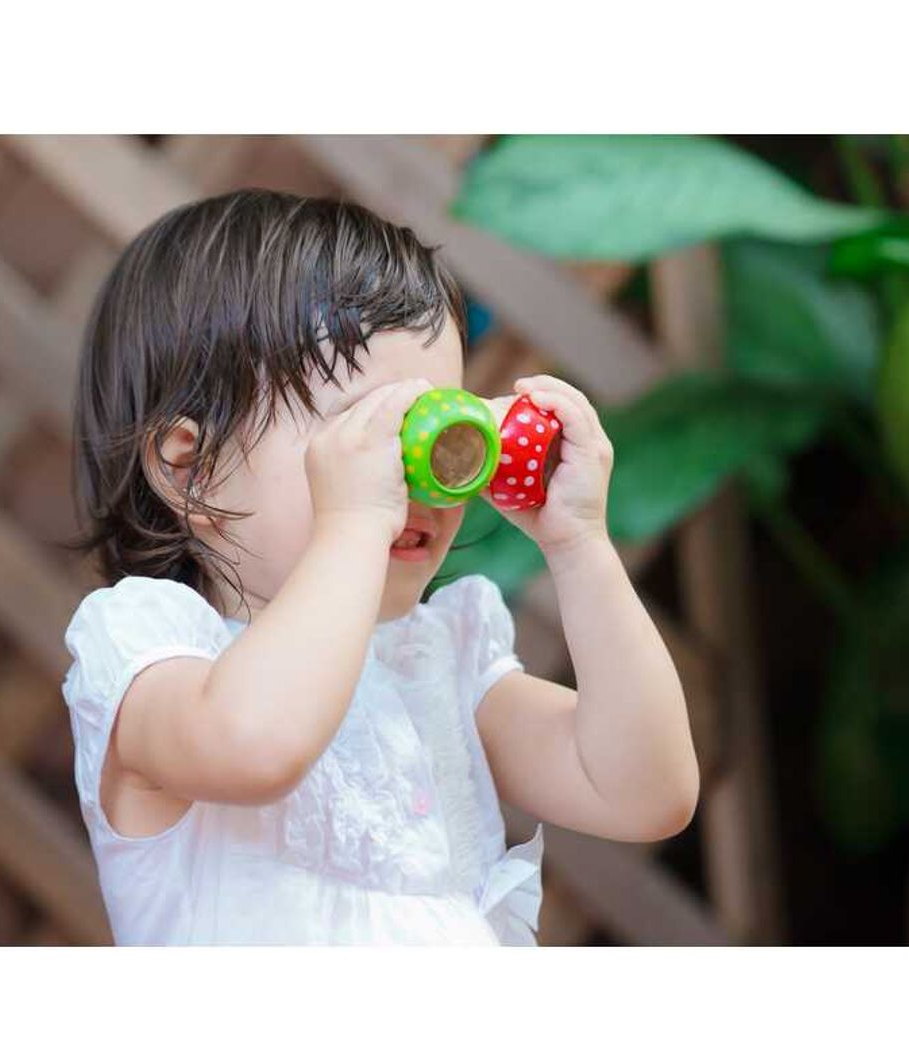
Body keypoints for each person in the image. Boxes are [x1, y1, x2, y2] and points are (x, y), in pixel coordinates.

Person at [61, 189, 699, 945]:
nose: (419, 478)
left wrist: (580, 544)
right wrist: (356, 521)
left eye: (439, 428)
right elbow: (257, 743)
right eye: (371, 432)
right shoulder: (152, 656)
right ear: (191, 469)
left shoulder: (439, 664)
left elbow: (643, 792)